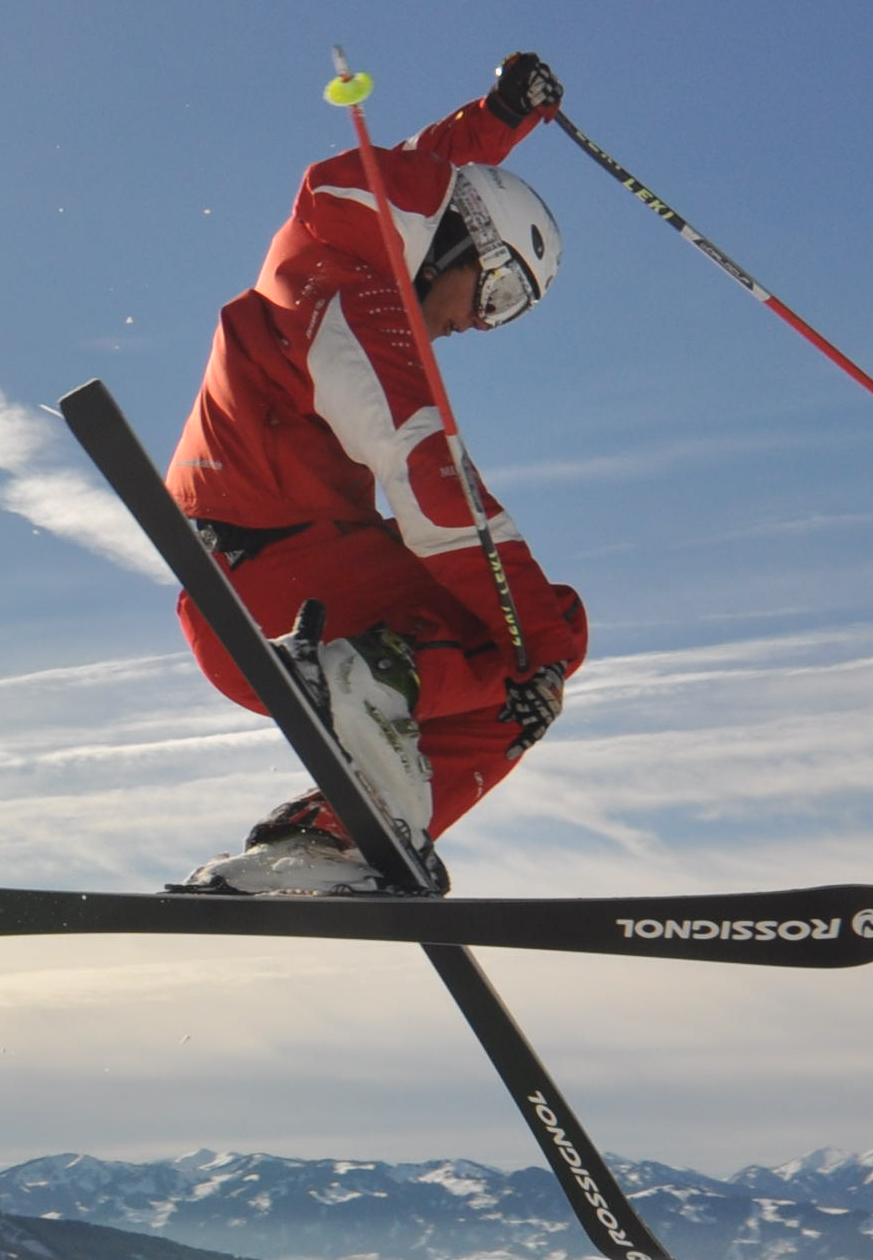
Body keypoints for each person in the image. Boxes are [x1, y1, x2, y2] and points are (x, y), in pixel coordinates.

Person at [164, 50, 583, 895]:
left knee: (521, 675)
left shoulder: (340, 238)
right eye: (496, 292)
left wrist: (502, 117)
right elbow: (435, 489)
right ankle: (365, 712)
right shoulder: (354, 310)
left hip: (270, 579)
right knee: (539, 638)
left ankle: (323, 840)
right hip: (279, 593)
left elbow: (427, 179)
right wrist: (537, 639)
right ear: (462, 245)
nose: (480, 323)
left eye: (509, 315)